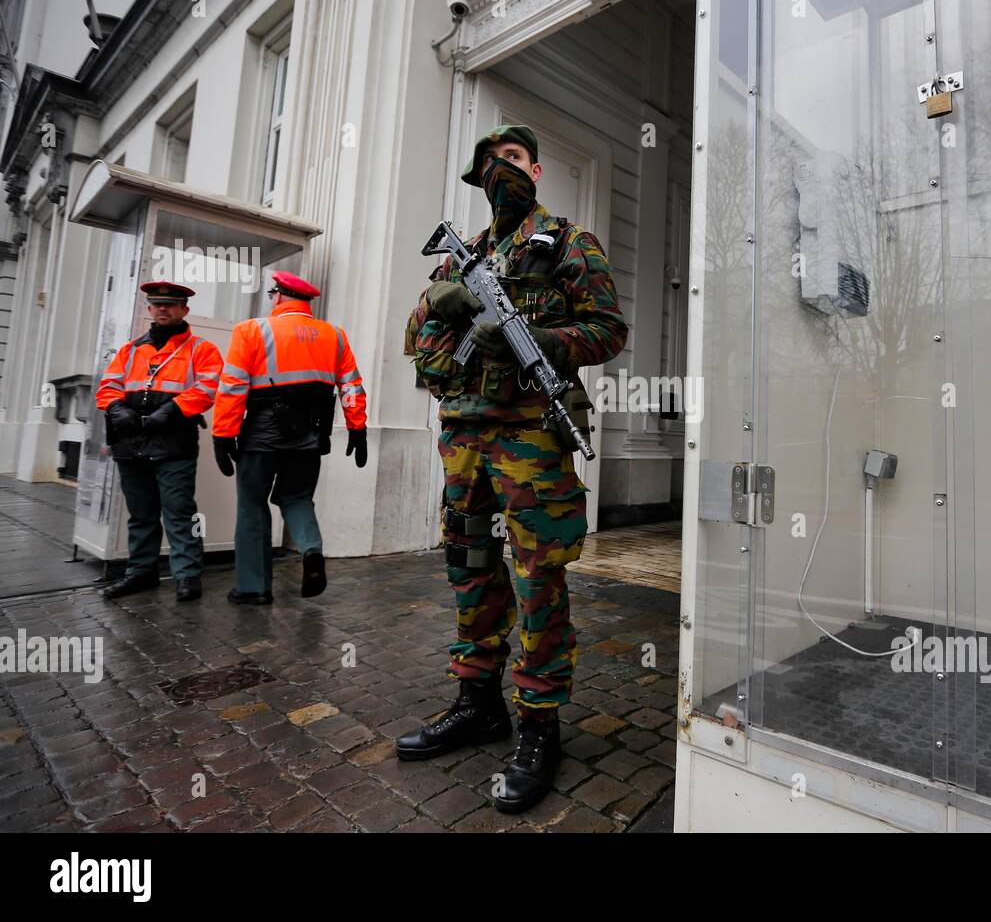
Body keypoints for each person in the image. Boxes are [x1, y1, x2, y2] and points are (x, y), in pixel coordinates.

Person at [398, 124, 628, 814]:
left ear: (536, 167)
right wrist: (441, 302)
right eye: (490, 162)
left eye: (513, 159)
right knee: (470, 566)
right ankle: (478, 702)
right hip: (466, 436)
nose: (502, 169)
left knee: (537, 577)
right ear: (478, 177)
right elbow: (421, 345)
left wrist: (538, 340)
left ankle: (537, 723)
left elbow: (607, 328)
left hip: (532, 434)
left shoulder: (567, 240)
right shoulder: (460, 256)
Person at [211, 270, 368, 605]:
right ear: (307, 302)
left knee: (252, 507)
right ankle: (311, 550)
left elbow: (233, 386)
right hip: (309, 438)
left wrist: (223, 434)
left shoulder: (252, 330)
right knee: (297, 499)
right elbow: (352, 385)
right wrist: (358, 427)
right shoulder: (334, 335)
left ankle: (253, 588)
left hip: (261, 438)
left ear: (279, 296)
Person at [95, 281, 223, 602]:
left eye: (170, 304)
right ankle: (141, 572)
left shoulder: (201, 349)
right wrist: (116, 407)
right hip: (132, 445)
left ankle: (188, 574)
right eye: (157, 304)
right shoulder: (129, 350)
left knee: (182, 513)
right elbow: (108, 386)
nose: (163, 309)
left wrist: (172, 411)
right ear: (149, 308)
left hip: (173, 443)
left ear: (184, 310)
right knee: (141, 513)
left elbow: (208, 387)